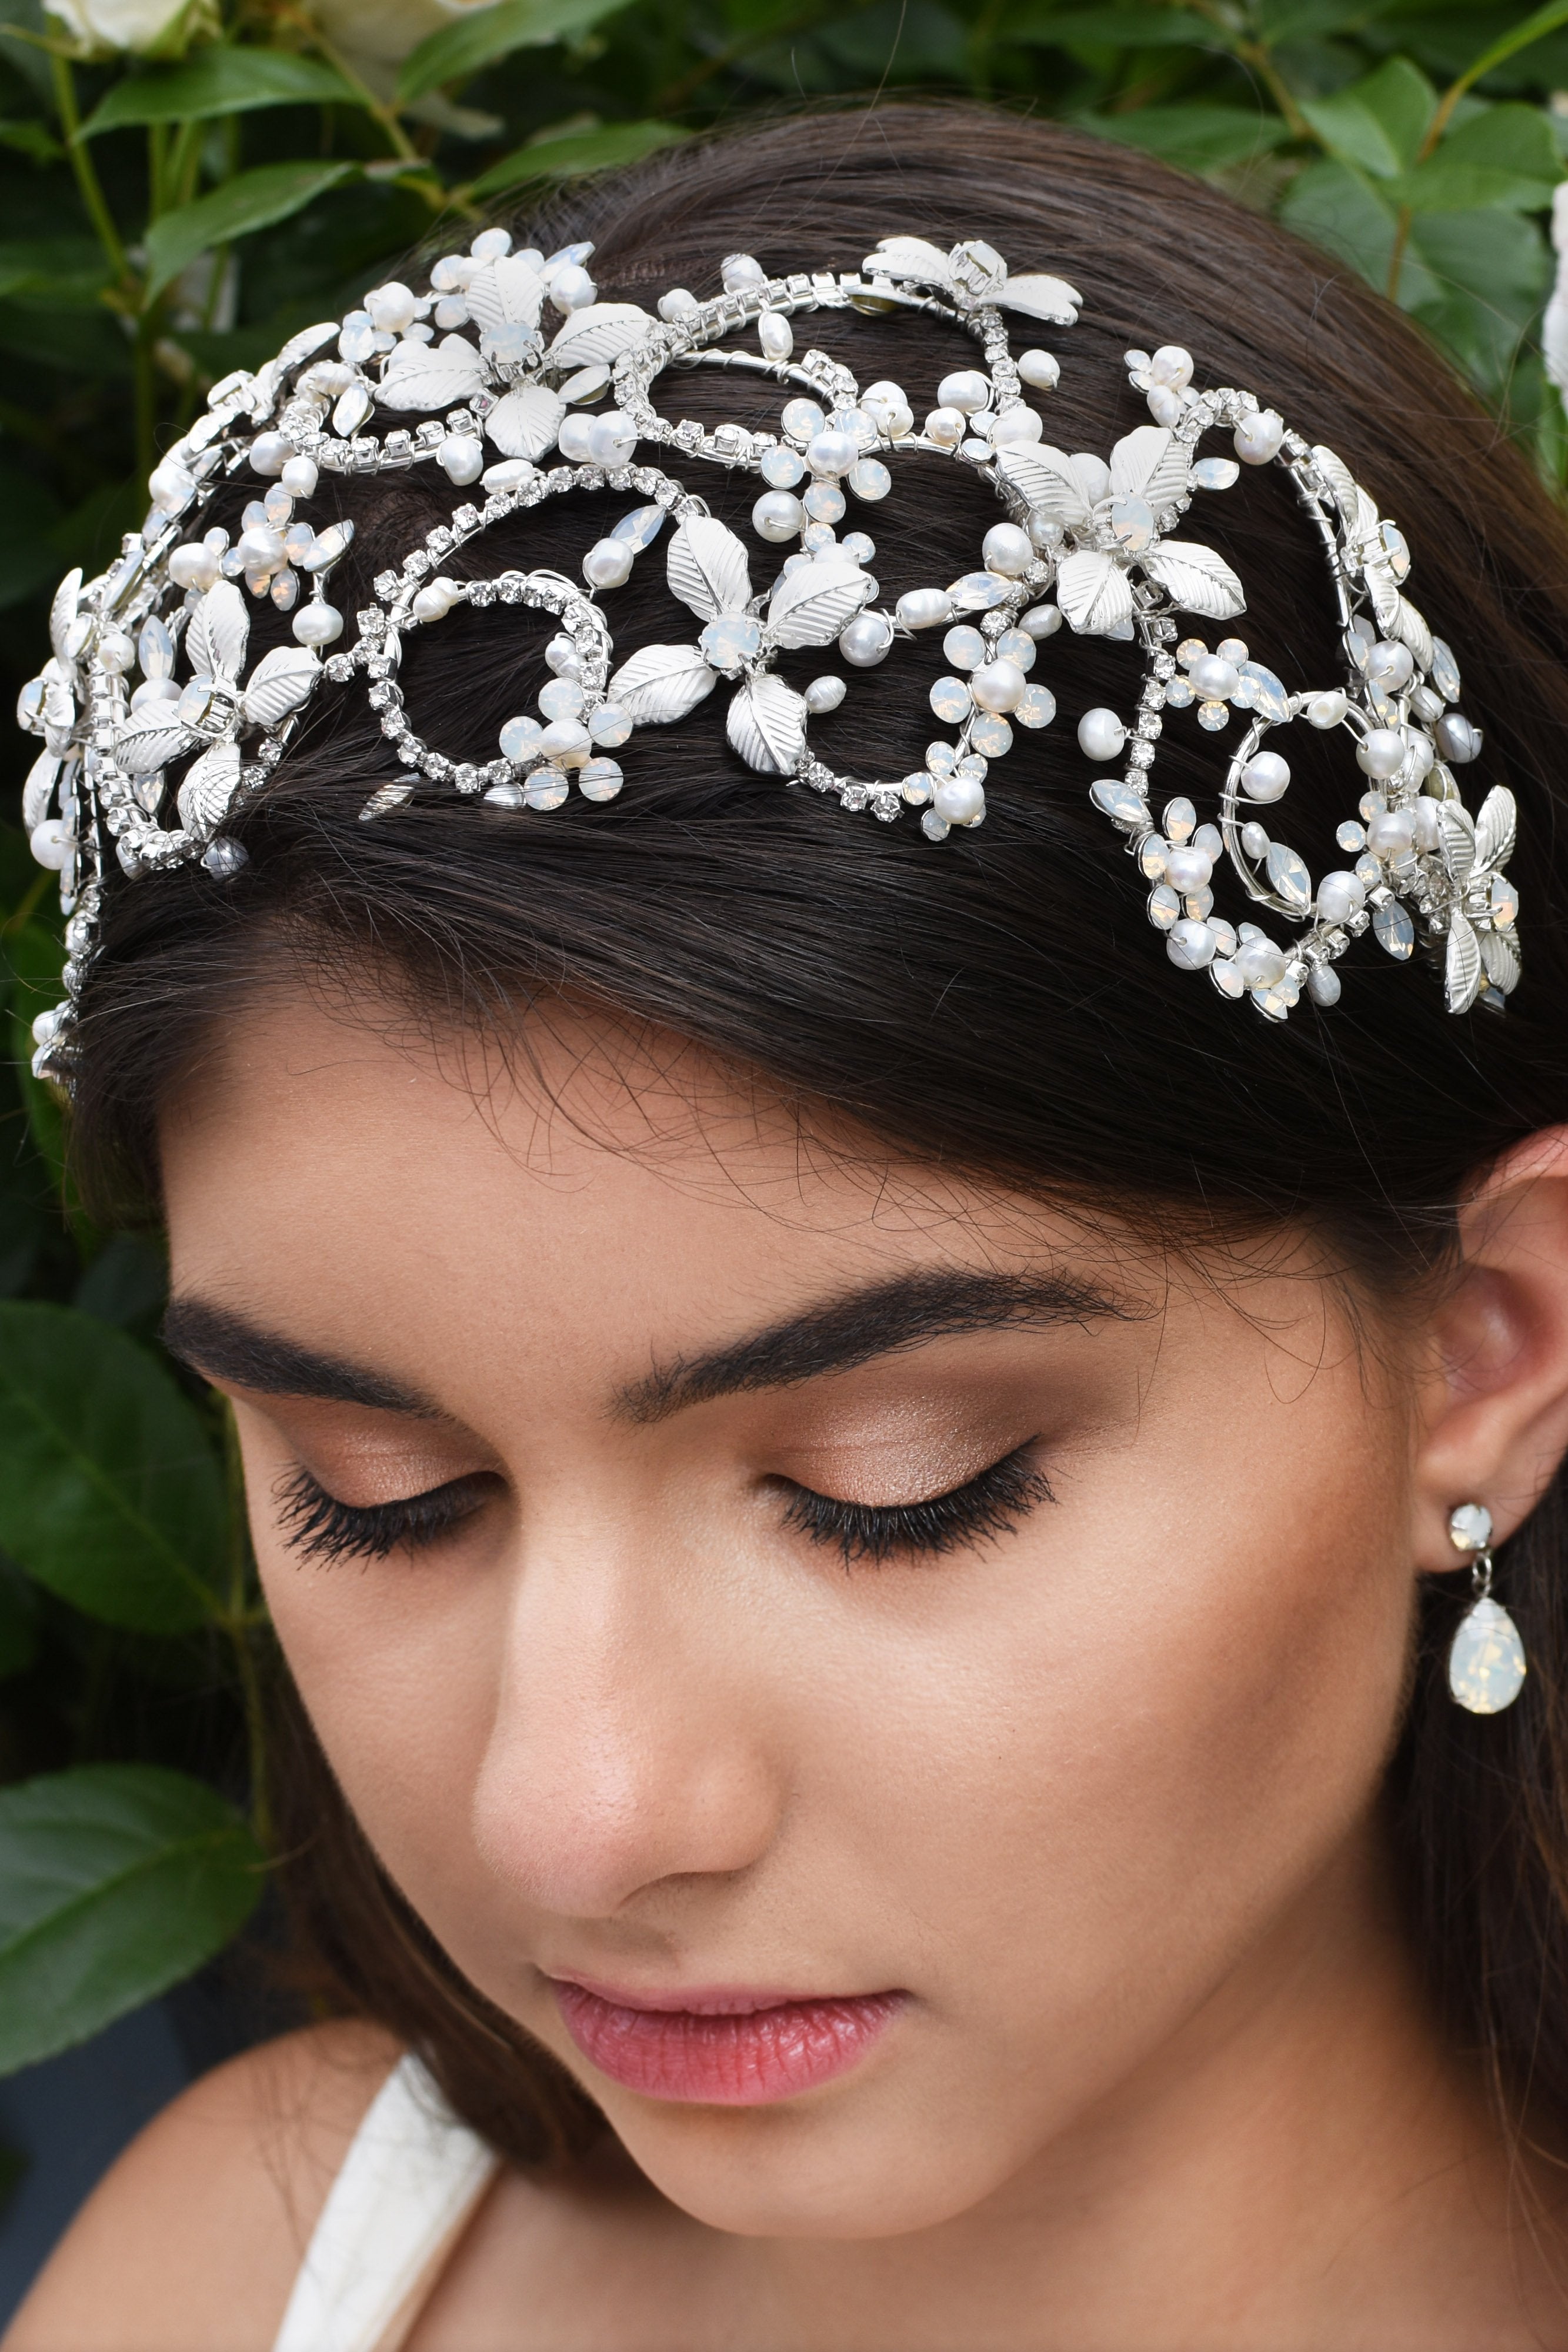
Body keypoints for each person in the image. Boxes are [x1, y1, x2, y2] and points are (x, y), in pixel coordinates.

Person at [8, 96, 1568, 2352]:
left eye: (893, 1491)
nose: (576, 1819)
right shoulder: (244, 2274)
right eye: (377, 1494)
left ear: (1483, 1347)